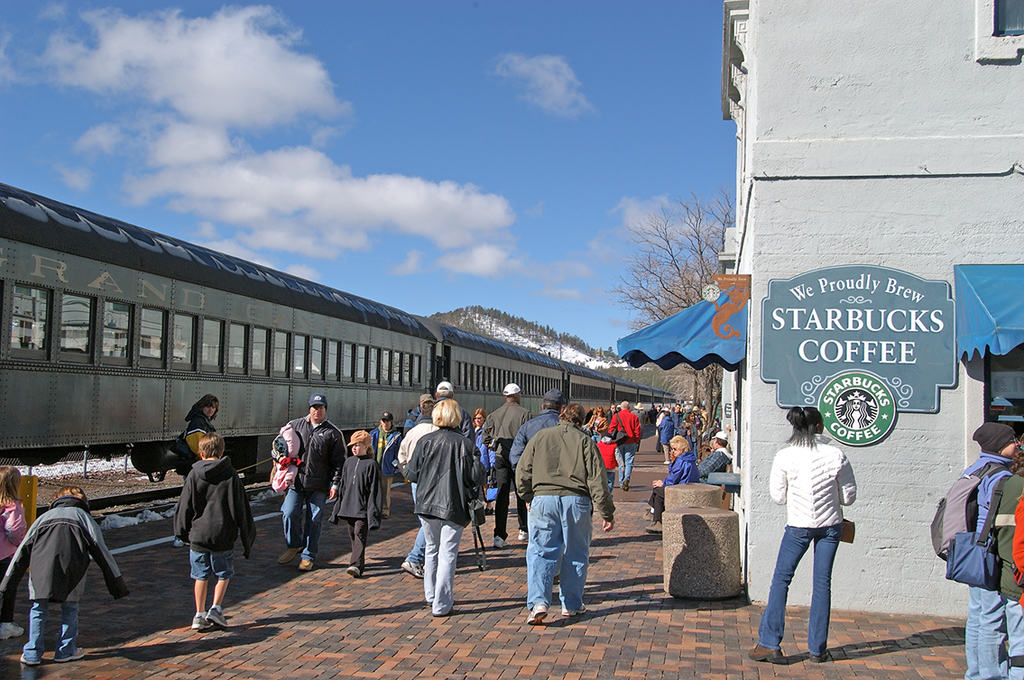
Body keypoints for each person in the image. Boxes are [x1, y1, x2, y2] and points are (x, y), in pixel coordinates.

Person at [749, 407, 856, 664]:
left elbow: (778, 497)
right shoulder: (836, 455)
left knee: (781, 580)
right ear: (819, 426)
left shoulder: (784, 456)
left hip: (798, 525)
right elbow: (849, 497)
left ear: (794, 427)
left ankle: (769, 643)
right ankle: (818, 649)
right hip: (831, 525)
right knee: (822, 584)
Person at [1, 487, 129, 666]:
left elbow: (23, 550)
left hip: (40, 569)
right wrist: (117, 583)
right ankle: (66, 650)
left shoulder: (43, 518)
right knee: (70, 609)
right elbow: (100, 550)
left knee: (38, 609)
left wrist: (7, 582)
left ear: (56, 499)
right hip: (72, 569)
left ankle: (32, 653)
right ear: (83, 501)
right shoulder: (83, 518)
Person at [516, 403, 615, 624]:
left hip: (543, 498)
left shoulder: (540, 437)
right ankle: (570, 604)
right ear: (581, 420)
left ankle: (539, 603)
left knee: (541, 551)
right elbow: (598, 481)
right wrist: (606, 512)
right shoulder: (585, 442)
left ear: (561, 416)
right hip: (576, 500)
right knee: (576, 552)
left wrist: (528, 497)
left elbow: (522, 471)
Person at [405, 399, 487, 617]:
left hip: (426, 503)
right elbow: (477, 476)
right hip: (454, 503)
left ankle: (430, 595)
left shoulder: (425, 441)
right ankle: (442, 603)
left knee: (432, 549)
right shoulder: (466, 444)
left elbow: (411, 473)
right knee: (448, 553)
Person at [953, 422, 1019, 678]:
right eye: (1013, 440)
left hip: (973, 551)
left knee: (979, 616)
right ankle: (991, 675)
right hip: (990, 551)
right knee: (992, 618)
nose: (1017, 444)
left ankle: (977, 672)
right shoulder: (1002, 476)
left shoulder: (975, 468)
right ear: (999, 446)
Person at [174, 433, 256, 631]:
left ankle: (199, 613)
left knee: (200, 575)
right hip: (223, 534)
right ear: (221, 452)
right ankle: (216, 608)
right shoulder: (231, 474)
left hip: (199, 535)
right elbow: (241, 508)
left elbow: (184, 506)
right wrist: (247, 537)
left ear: (201, 453)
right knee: (222, 573)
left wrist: (182, 532)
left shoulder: (193, 475)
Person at [274, 393, 347, 572]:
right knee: (289, 513)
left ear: (325, 409)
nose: (317, 411)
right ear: (309, 409)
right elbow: (277, 446)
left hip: (319, 484)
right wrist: (279, 457)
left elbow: (339, 461)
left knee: (314, 520)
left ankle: (308, 555)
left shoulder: (333, 433)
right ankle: (294, 545)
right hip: (295, 482)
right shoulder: (295, 425)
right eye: (314, 407)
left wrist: (335, 484)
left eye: (320, 407)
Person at [509, 389, 566, 542]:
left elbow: (515, 459)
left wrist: (526, 487)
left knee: (539, 543)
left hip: (537, 489)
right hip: (565, 490)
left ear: (542, 406)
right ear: (562, 408)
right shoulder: (569, 428)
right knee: (565, 540)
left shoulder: (528, 427)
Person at [483, 383, 531, 548]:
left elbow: (485, 439)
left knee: (502, 495)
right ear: (517, 395)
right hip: (518, 458)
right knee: (521, 493)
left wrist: (494, 446)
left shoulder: (494, 414)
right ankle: (523, 529)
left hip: (500, 457)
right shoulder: (525, 414)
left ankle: (499, 535)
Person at [329, 430, 383, 578]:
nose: (354, 448)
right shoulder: (349, 462)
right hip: (348, 507)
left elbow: (374, 491)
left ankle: (355, 564)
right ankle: (359, 561)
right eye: (352, 445)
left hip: (362, 508)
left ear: (366, 446)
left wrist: (373, 513)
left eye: (357, 445)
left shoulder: (371, 465)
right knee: (353, 535)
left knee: (359, 534)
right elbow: (343, 485)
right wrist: (337, 508)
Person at [398, 395, 438, 579]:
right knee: (428, 520)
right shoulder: (437, 431)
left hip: (416, 481)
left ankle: (421, 556)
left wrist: (408, 473)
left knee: (424, 519)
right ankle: (415, 557)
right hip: (433, 481)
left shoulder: (412, 432)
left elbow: (401, 457)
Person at [646, 435, 698, 534]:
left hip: (681, 489)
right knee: (658, 496)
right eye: (672, 449)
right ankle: (655, 517)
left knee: (657, 489)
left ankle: (656, 518)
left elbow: (673, 478)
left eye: (675, 449)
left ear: (682, 449)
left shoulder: (681, 460)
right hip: (686, 487)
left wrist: (663, 482)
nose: (672, 451)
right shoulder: (689, 458)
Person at [0, 466, 27, 639]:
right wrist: (18, 545)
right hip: (5, 555)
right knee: (7, 590)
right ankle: (5, 624)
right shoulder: (13, 507)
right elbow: (16, 532)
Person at [175, 394, 219, 477]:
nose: (210, 410)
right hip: (196, 464)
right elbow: (198, 446)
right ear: (202, 407)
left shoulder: (202, 421)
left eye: (213, 408)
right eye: (208, 406)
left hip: (196, 464)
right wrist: (208, 458)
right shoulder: (198, 422)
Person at [370, 412, 401, 520]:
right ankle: (373, 509)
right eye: (383, 421)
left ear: (391, 422)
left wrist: (394, 465)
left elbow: (399, 452)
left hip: (387, 467)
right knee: (373, 489)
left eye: (387, 421)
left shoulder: (396, 436)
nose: (385, 423)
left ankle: (385, 510)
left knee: (385, 490)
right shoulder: (374, 434)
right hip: (375, 466)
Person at [607, 401, 641, 491]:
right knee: (629, 462)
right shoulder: (634, 417)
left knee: (620, 463)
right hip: (631, 442)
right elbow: (637, 431)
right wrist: (636, 440)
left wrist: (609, 439)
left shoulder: (616, 416)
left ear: (621, 408)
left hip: (619, 442)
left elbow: (611, 429)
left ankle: (621, 482)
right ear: (629, 408)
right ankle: (627, 478)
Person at [473, 408, 491, 473]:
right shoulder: (471, 431)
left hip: (483, 464)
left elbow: (490, 450)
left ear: (484, 418)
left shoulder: (486, 432)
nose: (477, 420)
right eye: (475, 418)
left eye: (479, 418)